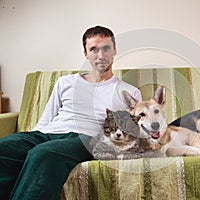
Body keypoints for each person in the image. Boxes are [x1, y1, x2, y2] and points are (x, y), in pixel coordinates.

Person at [0, 25, 142, 200]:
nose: (101, 55)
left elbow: (132, 132)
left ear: (114, 51)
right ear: (85, 54)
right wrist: (32, 139)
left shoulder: (129, 92)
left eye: (106, 48)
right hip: (48, 134)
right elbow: (46, 120)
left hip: (86, 139)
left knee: (43, 154)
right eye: (93, 49)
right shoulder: (65, 82)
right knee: (4, 148)